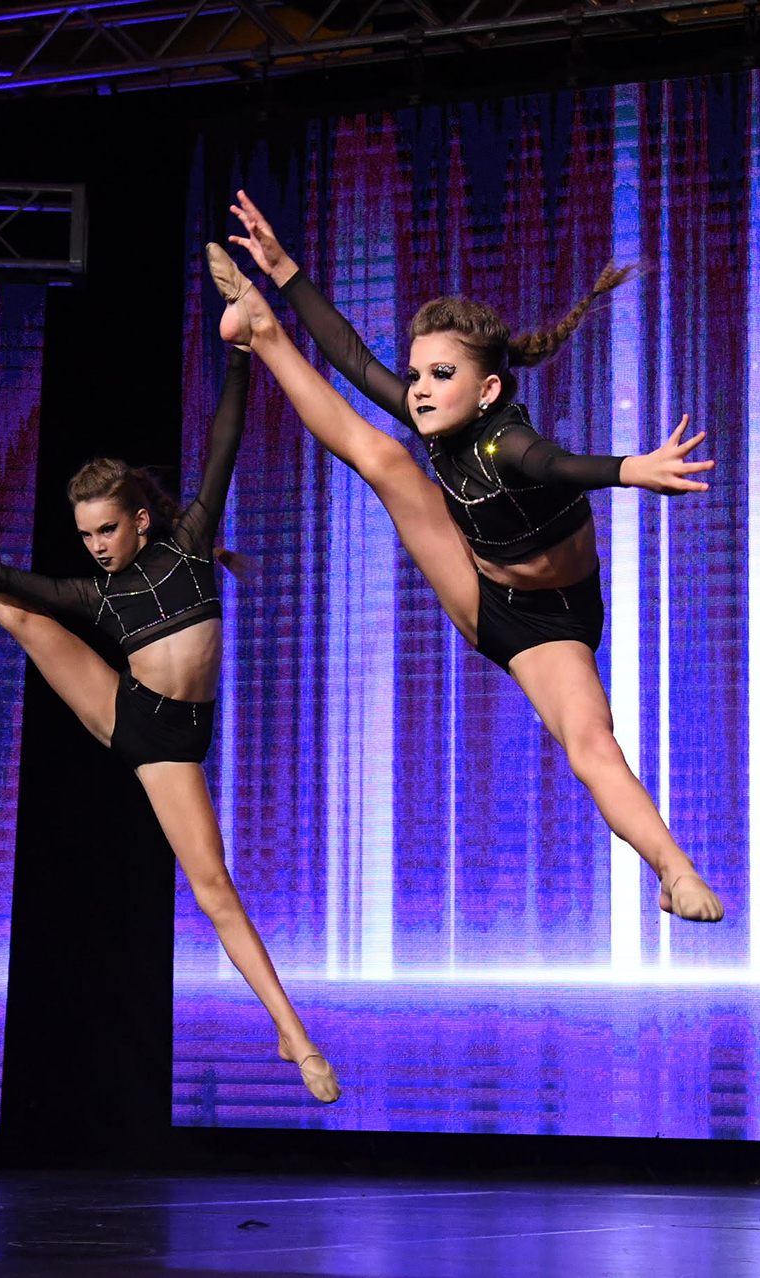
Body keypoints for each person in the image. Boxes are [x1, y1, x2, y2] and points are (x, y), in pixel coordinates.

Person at [205, 190, 723, 924]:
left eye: (439, 377)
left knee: (590, 744)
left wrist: (629, 470)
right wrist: (284, 270)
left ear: (487, 390)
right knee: (383, 457)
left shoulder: (503, 439)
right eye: (416, 375)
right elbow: (352, 356)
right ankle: (262, 330)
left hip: (550, 623)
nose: (418, 390)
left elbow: (554, 464)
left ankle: (675, 870)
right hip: (482, 587)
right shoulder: (437, 418)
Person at [0, 343, 341, 1103]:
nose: (96, 547)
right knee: (12, 611)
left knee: (217, 888)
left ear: (141, 520)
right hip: (137, 725)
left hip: (182, 736)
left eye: (106, 530)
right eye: (85, 536)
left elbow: (225, 440)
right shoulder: (98, 595)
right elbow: (7, 579)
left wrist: (241, 353)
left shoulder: (190, 546)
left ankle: (288, 1031)